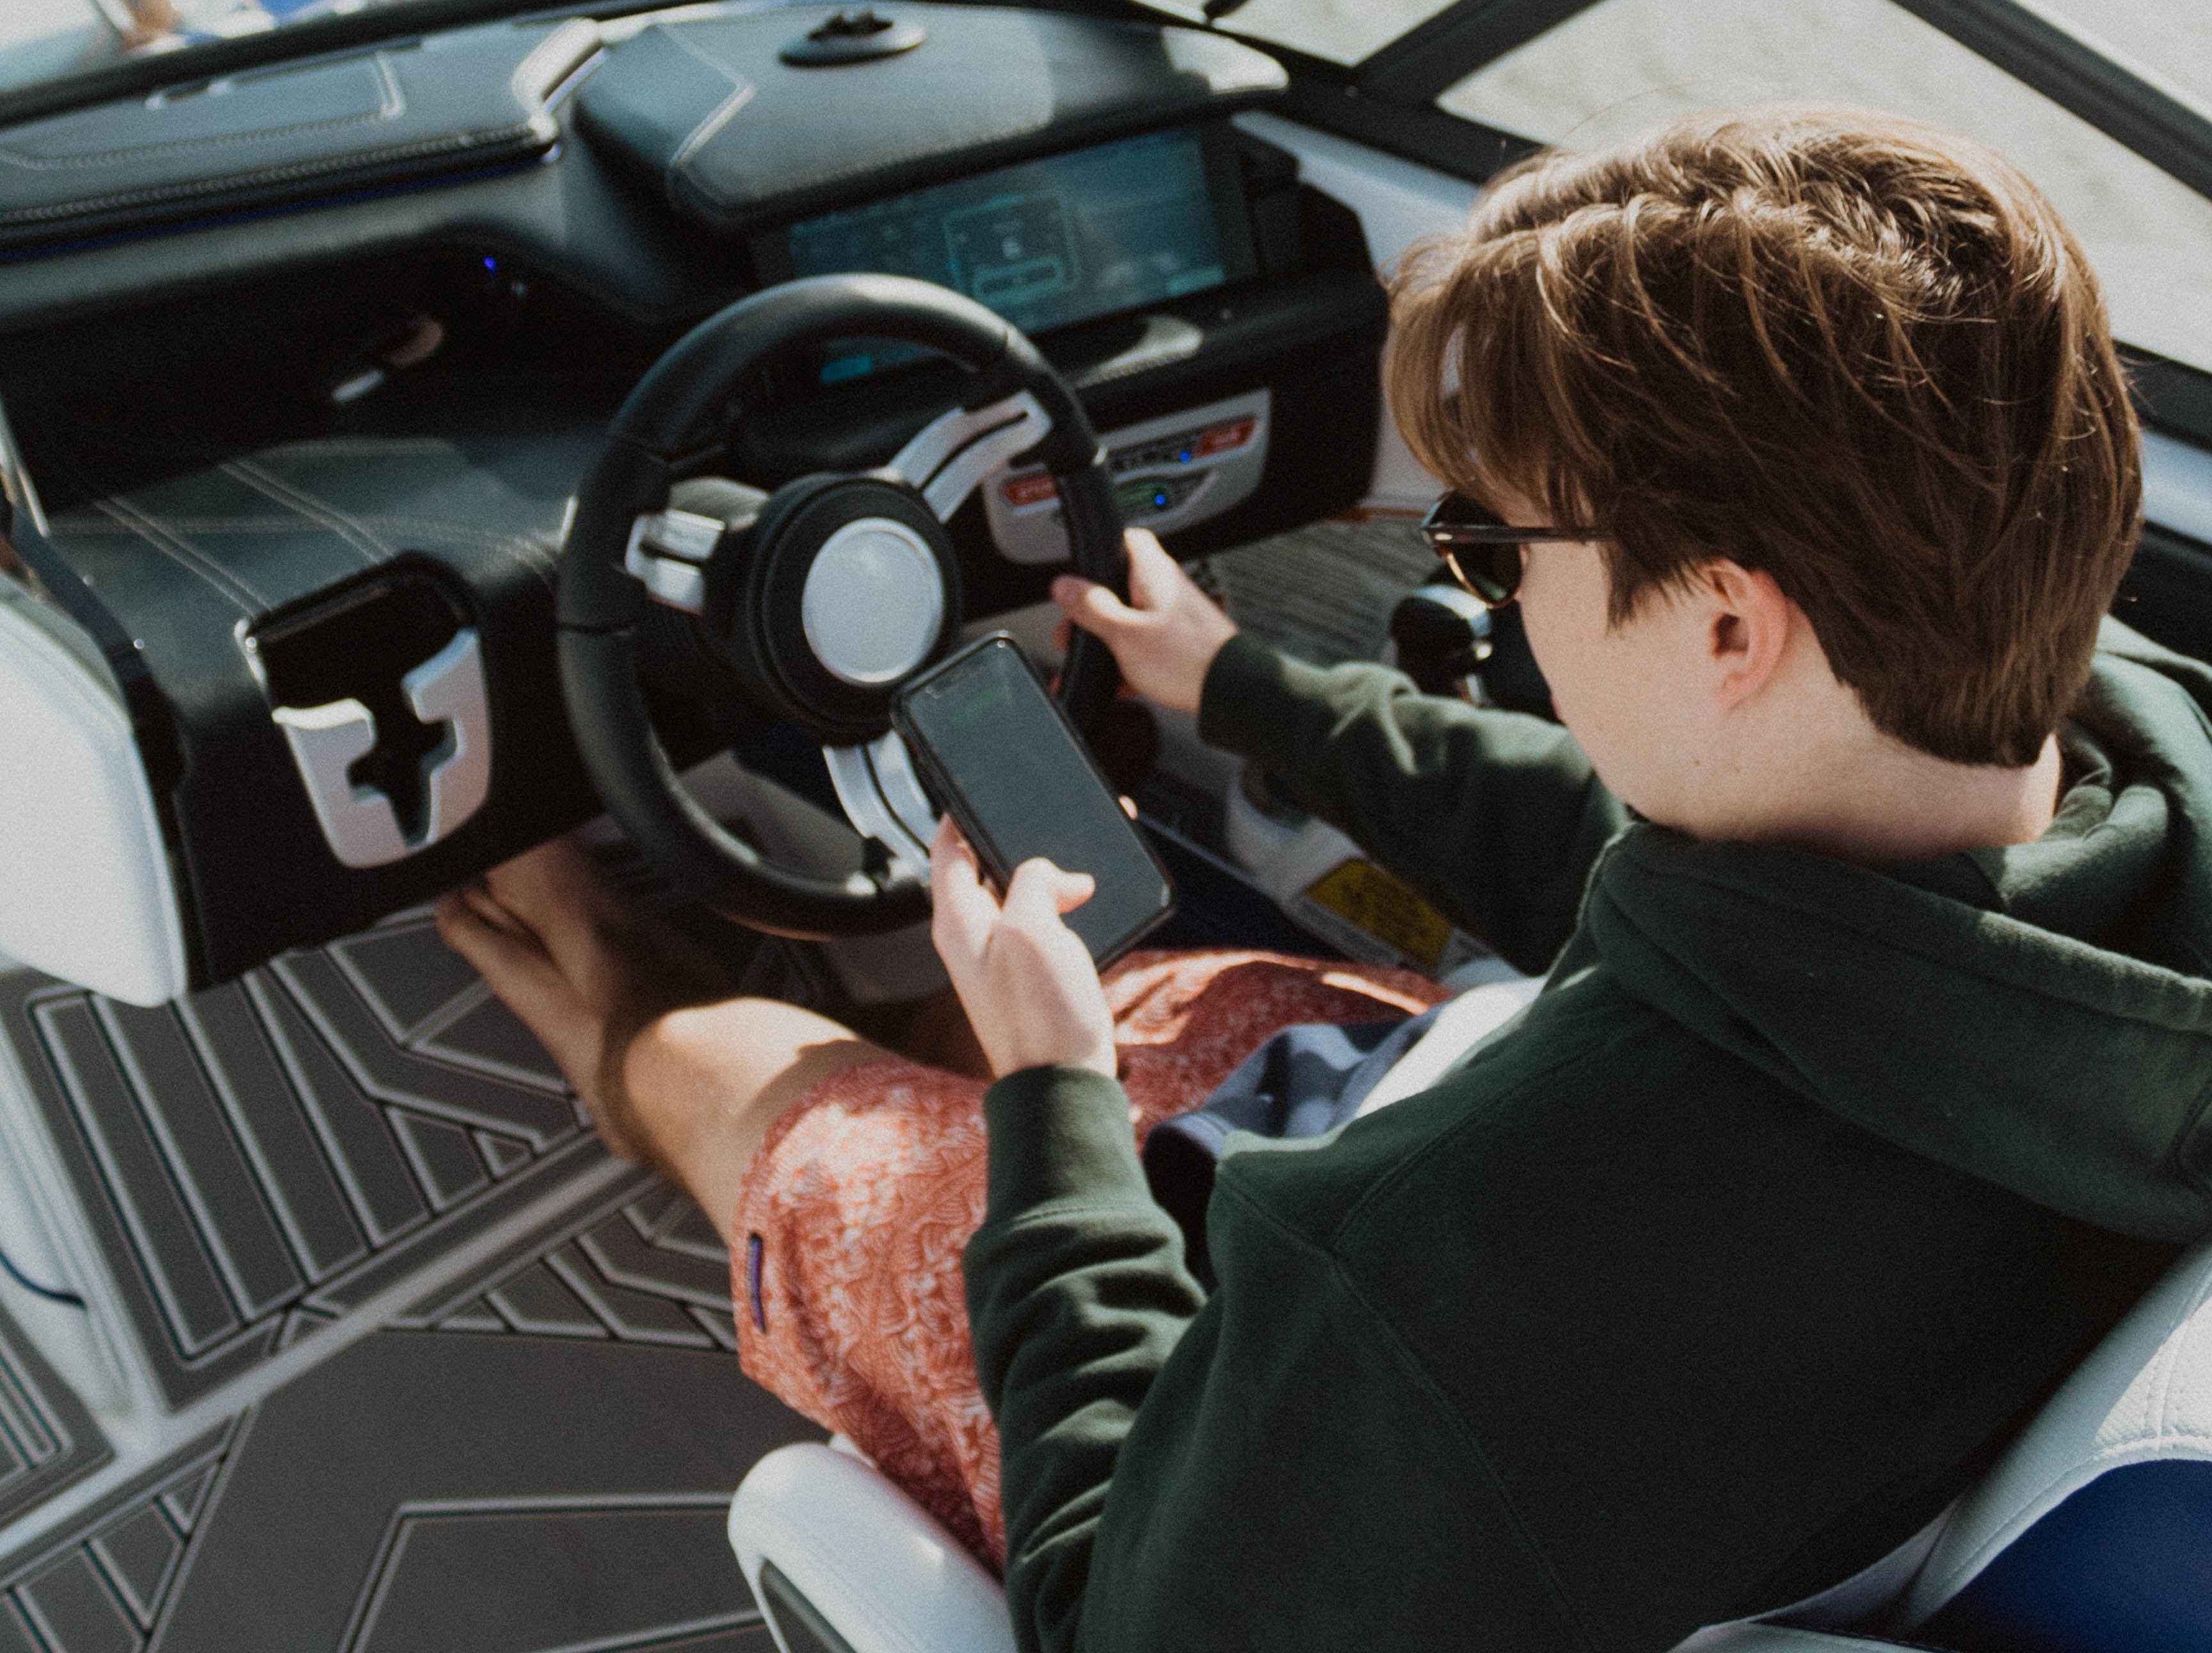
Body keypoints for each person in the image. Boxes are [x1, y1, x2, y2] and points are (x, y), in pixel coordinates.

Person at [439, 106, 2212, 1649]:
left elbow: (1112, 1611)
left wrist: (1054, 1103)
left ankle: (610, 972)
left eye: (1495, 542)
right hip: (1452, 1165)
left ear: (1735, 622)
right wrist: (1242, 686)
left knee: (774, 1087)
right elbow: (1660, 855)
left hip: (1345, 1399)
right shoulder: (2113, 773)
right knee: (1085, 982)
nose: (1489, 585)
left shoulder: (1461, 1272)